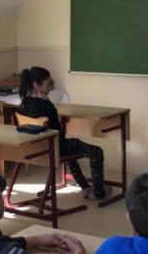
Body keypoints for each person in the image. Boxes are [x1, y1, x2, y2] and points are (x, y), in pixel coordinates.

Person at [17, 67, 111, 200]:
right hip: (55, 148)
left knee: (70, 151)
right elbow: (58, 134)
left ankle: (85, 186)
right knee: (96, 152)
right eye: (48, 84)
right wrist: (50, 105)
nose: (50, 88)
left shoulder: (23, 104)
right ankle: (99, 192)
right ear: (37, 85)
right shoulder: (47, 106)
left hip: (37, 149)